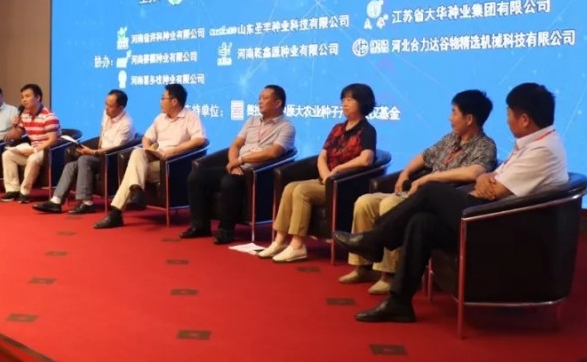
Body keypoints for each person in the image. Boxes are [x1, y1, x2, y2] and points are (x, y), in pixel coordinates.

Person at [335, 83, 568, 323]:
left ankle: (375, 240)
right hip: (489, 215)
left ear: (525, 119)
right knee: (421, 223)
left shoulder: (542, 151)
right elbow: (491, 177)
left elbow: (495, 189)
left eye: (509, 114)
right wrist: (486, 179)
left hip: (498, 225)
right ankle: (399, 302)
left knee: (432, 190)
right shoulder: (531, 144)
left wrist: (485, 181)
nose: (507, 121)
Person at [340, 90, 497, 294]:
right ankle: (362, 267)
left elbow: (475, 172)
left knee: (388, 204)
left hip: (438, 204)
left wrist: (430, 178)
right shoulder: (451, 139)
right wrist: (405, 173)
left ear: (469, 119)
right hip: (416, 195)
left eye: (454, 112)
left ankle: (390, 275)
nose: (450, 118)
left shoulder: (486, 145)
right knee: (365, 202)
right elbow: (423, 157)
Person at [257, 83, 378, 263]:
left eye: (349, 100)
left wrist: (338, 170)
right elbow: (322, 156)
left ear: (362, 102)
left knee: (302, 191)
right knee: (290, 187)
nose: (344, 104)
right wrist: (326, 174)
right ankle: (280, 240)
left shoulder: (367, 130)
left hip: (344, 185)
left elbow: (366, 159)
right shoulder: (338, 128)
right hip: (326, 180)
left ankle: (297, 245)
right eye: (343, 100)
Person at [180, 85, 296, 244]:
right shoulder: (252, 121)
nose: (260, 101)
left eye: (264, 98)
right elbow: (235, 144)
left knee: (229, 181)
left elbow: (273, 153)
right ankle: (199, 226)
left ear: (278, 103)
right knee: (197, 177)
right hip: (237, 167)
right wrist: (233, 163)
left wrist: (241, 160)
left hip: (256, 172)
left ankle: (225, 231)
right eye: (259, 98)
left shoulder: (287, 127)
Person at [94, 83, 206, 229]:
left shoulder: (190, 117)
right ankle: (136, 191)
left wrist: (174, 150)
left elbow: (200, 140)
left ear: (174, 101)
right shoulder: (160, 119)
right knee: (137, 152)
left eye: (163, 98)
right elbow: (146, 138)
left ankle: (117, 211)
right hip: (156, 156)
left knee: (132, 172)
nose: (160, 101)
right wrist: (148, 149)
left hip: (172, 163)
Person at [33, 89, 135, 214]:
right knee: (71, 166)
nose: (106, 108)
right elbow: (103, 135)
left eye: (110, 106)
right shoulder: (107, 114)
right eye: (105, 104)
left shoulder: (126, 124)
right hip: (99, 154)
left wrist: (93, 152)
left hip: (112, 159)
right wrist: (87, 149)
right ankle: (56, 201)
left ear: (120, 107)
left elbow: (115, 149)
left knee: (85, 160)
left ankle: (87, 203)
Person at [0, 84, 60, 203]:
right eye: (22, 97)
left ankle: (24, 192)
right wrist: (15, 126)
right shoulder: (24, 114)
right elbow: (18, 135)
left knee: (33, 158)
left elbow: (53, 140)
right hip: (32, 149)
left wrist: (34, 150)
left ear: (38, 98)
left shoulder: (49, 116)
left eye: (27, 96)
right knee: (7, 155)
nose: (24, 100)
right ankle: (13, 190)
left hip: (47, 152)